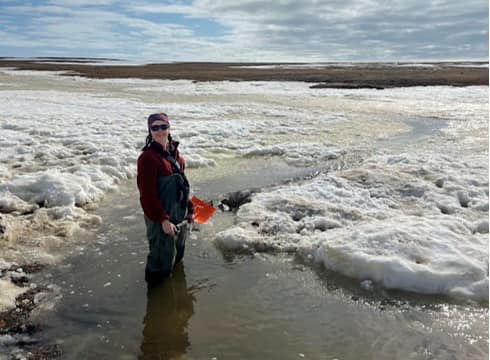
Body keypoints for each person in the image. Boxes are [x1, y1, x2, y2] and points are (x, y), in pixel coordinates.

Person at [137, 112, 193, 284]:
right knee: (160, 264)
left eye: (163, 126)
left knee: (177, 257)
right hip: (160, 219)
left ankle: (176, 298)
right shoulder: (148, 158)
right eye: (155, 127)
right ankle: (156, 301)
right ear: (150, 131)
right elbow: (147, 195)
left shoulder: (177, 156)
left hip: (179, 217)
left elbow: (182, 187)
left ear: (169, 128)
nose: (160, 131)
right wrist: (162, 220)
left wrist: (190, 209)